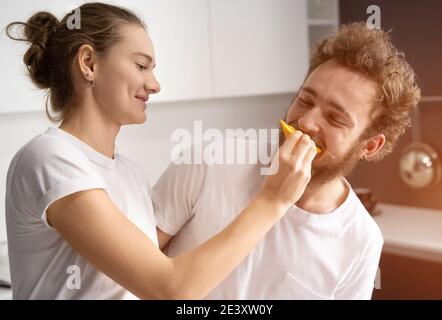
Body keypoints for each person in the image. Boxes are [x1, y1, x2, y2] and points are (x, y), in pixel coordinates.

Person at [4, 2, 317, 299]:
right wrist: (273, 200)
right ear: (89, 63)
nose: (155, 85)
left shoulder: (131, 173)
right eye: (141, 65)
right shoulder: (49, 158)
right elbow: (169, 288)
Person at [153, 22, 421, 299]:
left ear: (370, 145)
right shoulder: (209, 160)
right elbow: (129, 278)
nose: (306, 122)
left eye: (335, 118)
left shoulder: (362, 241)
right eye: (305, 100)